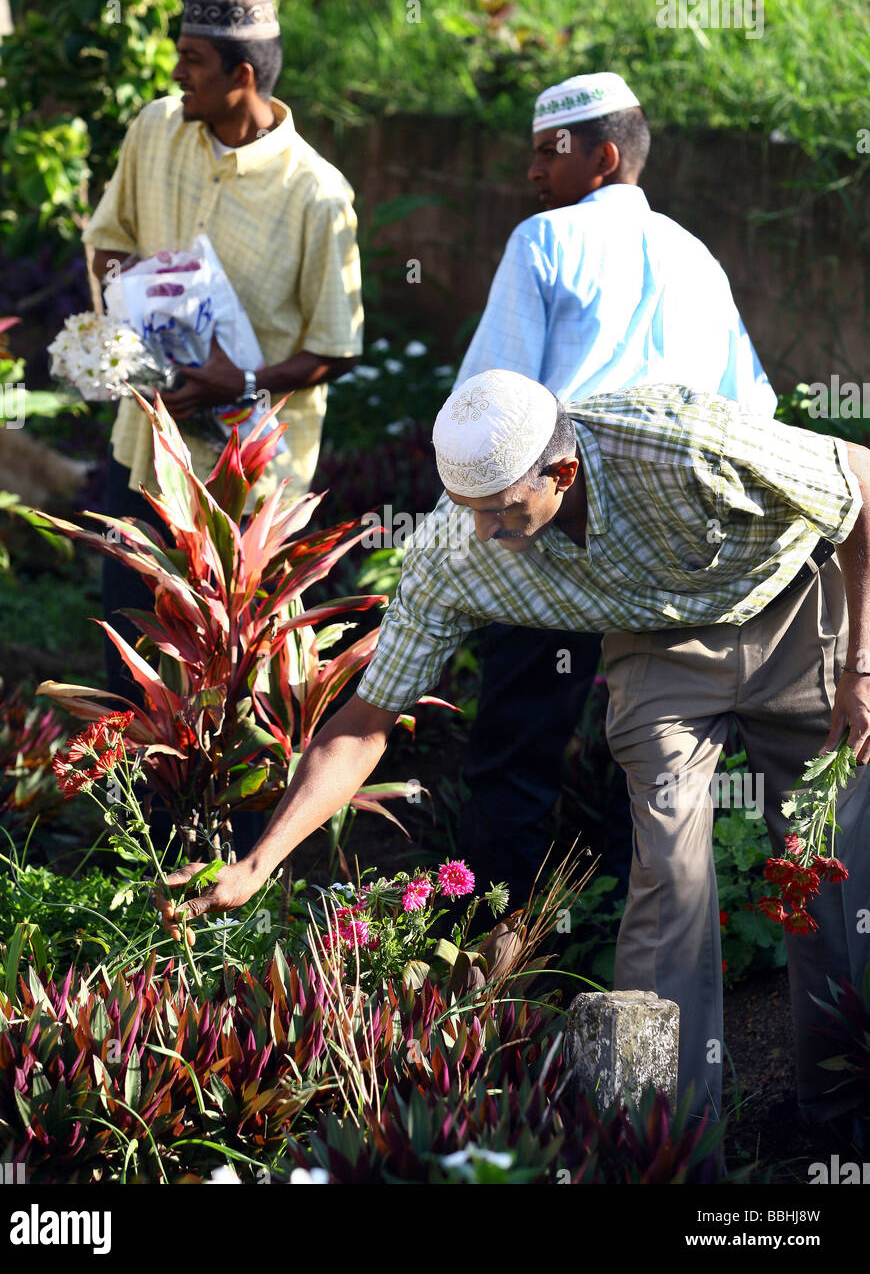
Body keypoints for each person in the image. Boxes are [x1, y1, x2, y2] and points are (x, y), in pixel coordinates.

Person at [158, 369, 870, 1133]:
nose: (483, 535)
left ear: (561, 472)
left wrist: (862, 666)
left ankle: (841, 1116)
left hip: (800, 609)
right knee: (670, 872)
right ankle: (663, 1137)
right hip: (661, 648)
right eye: (468, 512)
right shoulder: (456, 550)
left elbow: (860, 483)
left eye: (499, 512)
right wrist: (261, 861)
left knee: (828, 858)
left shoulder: (682, 439)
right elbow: (367, 719)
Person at [452, 71, 776, 907]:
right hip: (672, 541)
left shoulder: (543, 241)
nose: (532, 172)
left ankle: (500, 949)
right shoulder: (696, 255)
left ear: (601, 156)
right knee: (657, 755)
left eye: (545, 152)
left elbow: (491, 397)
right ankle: (627, 948)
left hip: (553, 524)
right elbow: (756, 408)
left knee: (519, 742)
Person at [82, 0, 364, 700]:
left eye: (191, 61)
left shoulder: (317, 195)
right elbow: (109, 241)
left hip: (242, 477)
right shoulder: (156, 130)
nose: (177, 75)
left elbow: (339, 346)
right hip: (144, 447)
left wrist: (236, 385)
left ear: (242, 77)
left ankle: (228, 818)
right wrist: (132, 317)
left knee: (228, 673)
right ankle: (142, 804)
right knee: (131, 643)